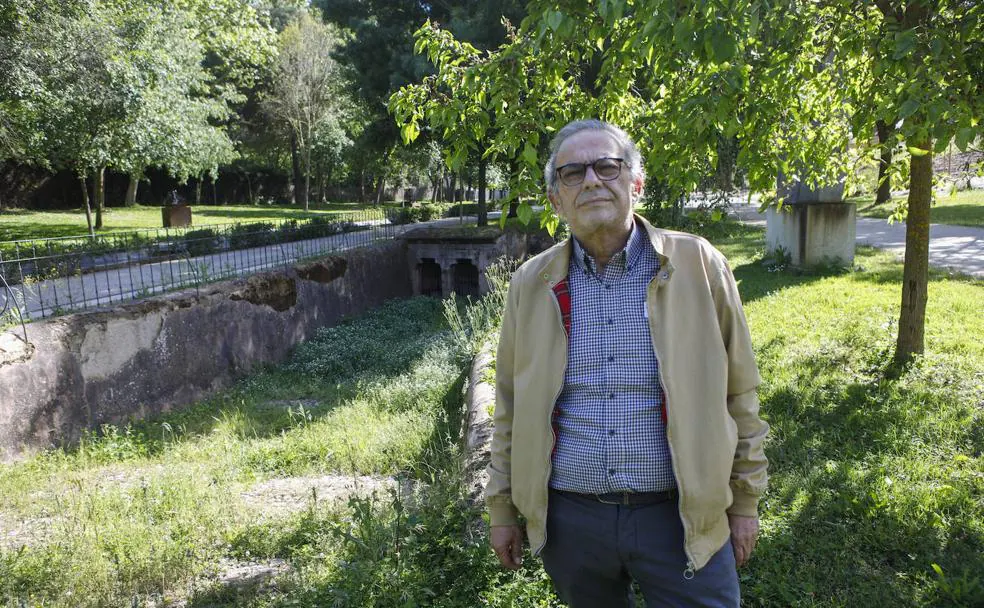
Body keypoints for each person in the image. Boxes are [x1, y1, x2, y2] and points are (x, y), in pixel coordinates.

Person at [486, 119, 769, 607]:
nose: (592, 180)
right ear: (556, 199)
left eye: (607, 166)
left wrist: (743, 502)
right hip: (572, 521)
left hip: (681, 517)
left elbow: (740, 393)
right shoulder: (530, 285)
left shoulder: (698, 265)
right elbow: (510, 405)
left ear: (635, 183)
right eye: (572, 173)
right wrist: (502, 510)